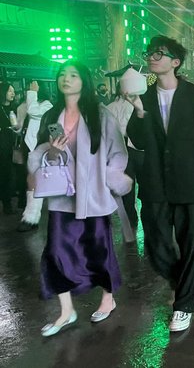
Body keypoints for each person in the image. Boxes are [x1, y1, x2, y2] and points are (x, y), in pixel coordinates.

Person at [126, 35, 194, 332]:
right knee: (156, 245)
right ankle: (181, 282)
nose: (152, 57)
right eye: (150, 52)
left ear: (175, 62)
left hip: (189, 181)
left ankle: (184, 305)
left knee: (191, 244)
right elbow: (139, 140)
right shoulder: (143, 97)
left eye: (159, 53)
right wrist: (140, 113)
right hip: (156, 182)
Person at [29, 60, 131, 336]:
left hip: (94, 196)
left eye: (73, 75)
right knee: (56, 252)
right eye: (62, 74)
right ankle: (66, 311)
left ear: (83, 81)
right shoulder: (53, 116)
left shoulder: (100, 114)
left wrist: (110, 179)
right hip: (62, 197)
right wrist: (51, 151)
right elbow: (38, 155)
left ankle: (108, 298)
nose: (66, 79)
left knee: (99, 250)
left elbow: (118, 152)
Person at [106, 80, 143, 228]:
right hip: (134, 148)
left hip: (125, 149)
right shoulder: (135, 105)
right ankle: (137, 216)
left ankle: (131, 217)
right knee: (139, 184)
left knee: (129, 185)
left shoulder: (109, 107)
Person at [18, 80, 53, 231]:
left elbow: (33, 110)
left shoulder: (47, 105)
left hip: (44, 147)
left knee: (37, 181)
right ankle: (31, 217)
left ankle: (32, 217)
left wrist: (32, 92)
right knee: (32, 181)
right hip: (32, 146)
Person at [0, 82, 18, 214]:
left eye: (13, 91)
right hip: (2, 144)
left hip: (12, 145)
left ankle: (7, 204)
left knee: (8, 174)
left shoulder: (14, 108)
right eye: (9, 91)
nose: (13, 93)